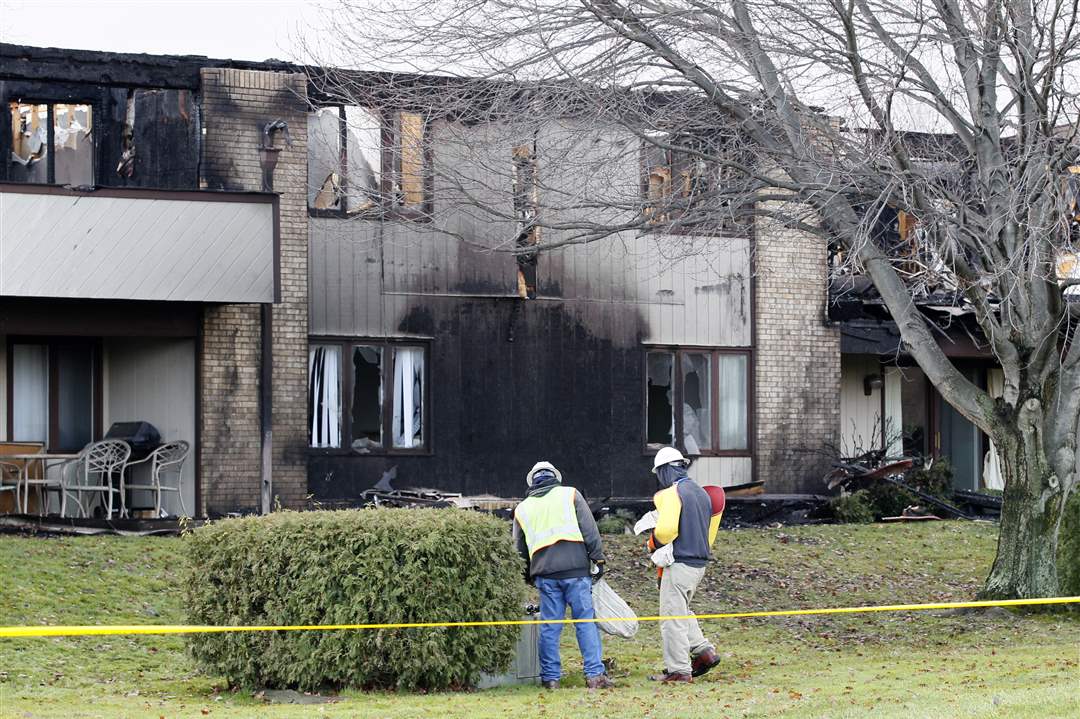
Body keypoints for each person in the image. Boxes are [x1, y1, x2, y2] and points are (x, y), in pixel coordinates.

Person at [513, 461, 615, 690]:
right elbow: (589, 529)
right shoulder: (570, 495)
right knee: (585, 621)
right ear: (555, 477)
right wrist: (597, 559)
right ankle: (595, 676)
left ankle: (551, 679)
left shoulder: (522, 508)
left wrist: (528, 575)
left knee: (550, 626)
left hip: (545, 575)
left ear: (533, 482)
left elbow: (518, 549)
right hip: (576, 570)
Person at [647, 447, 724, 683]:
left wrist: (652, 543)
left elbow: (667, 529)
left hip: (679, 563)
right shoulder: (701, 493)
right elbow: (709, 534)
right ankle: (704, 652)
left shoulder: (673, 492)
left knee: (672, 619)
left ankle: (679, 671)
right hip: (698, 564)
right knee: (681, 611)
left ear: (664, 471)